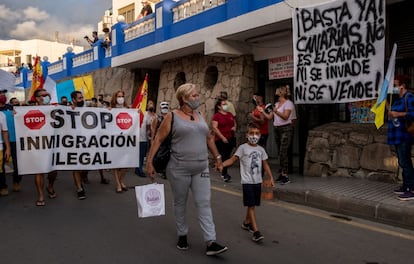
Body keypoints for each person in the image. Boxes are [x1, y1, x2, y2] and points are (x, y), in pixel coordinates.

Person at [146, 83, 228, 256]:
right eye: (193, 95)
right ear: (183, 98)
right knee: (180, 202)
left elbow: (209, 138)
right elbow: (158, 140)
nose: (197, 98)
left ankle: (210, 241)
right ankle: (182, 234)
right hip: (178, 169)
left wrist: (218, 158)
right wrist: (149, 163)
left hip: (202, 167)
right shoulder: (172, 116)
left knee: (204, 202)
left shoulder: (200, 114)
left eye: (197, 95)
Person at [222, 123, 275, 242]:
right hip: (247, 182)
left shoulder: (261, 150)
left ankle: (246, 222)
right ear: (247, 135)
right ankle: (256, 231)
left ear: (260, 135)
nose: (254, 136)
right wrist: (222, 164)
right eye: (251, 133)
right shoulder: (242, 148)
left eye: (256, 133)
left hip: (258, 181)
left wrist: (271, 177)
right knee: (251, 205)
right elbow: (232, 159)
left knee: (253, 204)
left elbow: (265, 164)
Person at [388, 75, 414, 201]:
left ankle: (411, 188)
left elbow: (412, 113)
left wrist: (398, 113)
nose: (393, 87)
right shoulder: (398, 99)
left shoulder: (409, 97)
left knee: (405, 161)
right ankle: (405, 185)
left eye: (395, 85)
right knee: (402, 161)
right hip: (396, 135)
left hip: (404, 135)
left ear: (402, 85)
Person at [263, 85, 294, 185]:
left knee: (283, 152)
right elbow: (269, 117)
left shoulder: (288, 103)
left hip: (286, 129)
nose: (275, 91)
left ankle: (285, 175)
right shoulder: (276, 104)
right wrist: (262, 112)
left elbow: (285, 117)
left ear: (281, 92)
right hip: (277, 129)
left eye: (277, 89)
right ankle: (282, 173)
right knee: (279, 153)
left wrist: (276, 111)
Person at [33, 89, 57, 205]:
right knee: (39, 171)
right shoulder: (30, 111)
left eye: (48, 95)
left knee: (53, 171)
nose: (47, 97)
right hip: (37, 145)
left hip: (53, 145)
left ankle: (50, 186)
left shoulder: (56, 109)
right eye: (43, 95)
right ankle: (41, 195)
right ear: (37, 99)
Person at [212, 98, 236, 182]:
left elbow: (234, 122)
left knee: (227, 156)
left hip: (230, 138)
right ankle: (224, 173)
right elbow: (215, 128)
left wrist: (234, 128)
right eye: (223, 104)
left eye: (226, 104)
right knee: (224, 156)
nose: (226, 106)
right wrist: (222, 137)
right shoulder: (217, 116)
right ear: (219, 106)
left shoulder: (230, 114)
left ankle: (221, 168)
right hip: (220, 139)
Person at [0, 89, 19, 195]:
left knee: (18, 163)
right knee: (0, 166)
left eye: (3, 94)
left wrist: (17, 113)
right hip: (1, 142)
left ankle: (16, 181)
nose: (2, 95)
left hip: (14, 140)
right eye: (0, 94)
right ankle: (3, 186)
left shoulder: (11, 108)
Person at [110, 90, 129, 193]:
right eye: (119, 96)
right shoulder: (111, 108)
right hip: (114, 139)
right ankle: (118, 184)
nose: (120, 98)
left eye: (122, 96)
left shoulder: (128, 109)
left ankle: (121, 181)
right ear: (115, 97)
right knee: (116, 163)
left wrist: (136, 113)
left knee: (125, 163)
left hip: (125, 139)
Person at [70, 91, 87, 200]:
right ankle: (79, 188)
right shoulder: (67, 110)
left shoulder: (87, 110)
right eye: (80, 98)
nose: (82, 100)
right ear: (74, 100)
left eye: (82, 98)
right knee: (76, 166)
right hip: (73, 142)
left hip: (87, 142)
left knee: (85, 166)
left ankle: (81, 180)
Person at [135, 100, 155, 177]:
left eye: (152, 104)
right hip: (140, 136)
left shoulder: (153, 115)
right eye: (149, 104)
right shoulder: (145, 113)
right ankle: (139, 169)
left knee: (142, 154)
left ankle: (138, 168)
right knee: (140, 154)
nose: (151, 106)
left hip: (145, 137)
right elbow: (148, 126)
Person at [151, 101, 170, 178]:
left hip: (167, 140)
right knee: (158, 155)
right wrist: (152, 140)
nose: (165, 109)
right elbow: (153, 129)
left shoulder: (169, 118)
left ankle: (164, 170)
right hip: (159, 140)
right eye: (163, 108)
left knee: (167, 156)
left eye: (166, 108)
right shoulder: (157, 118)